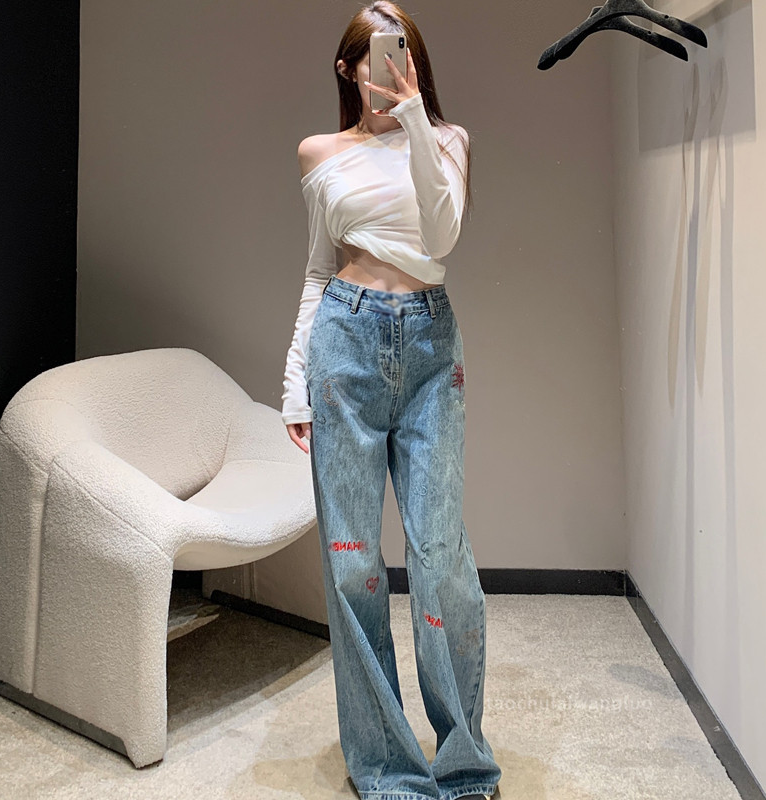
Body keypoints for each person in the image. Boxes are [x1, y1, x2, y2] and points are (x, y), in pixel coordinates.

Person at [281, 4, 501, 799]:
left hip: (431, 347)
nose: (391, 64)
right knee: (351, 563)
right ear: (349, 67)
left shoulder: (447, 140)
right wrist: (293, 382)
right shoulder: (320, 153)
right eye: (376, 53)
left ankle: (464, 763)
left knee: (439, 554)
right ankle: (387, 770)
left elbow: (440, 239)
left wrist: (412, 120)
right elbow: (318, 268)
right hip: (342, 343)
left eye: (402, 50)